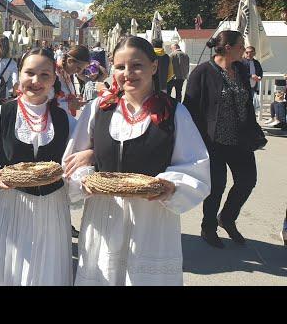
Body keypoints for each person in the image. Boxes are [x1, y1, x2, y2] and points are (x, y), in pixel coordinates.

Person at [63, 36, 210, 285]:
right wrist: (86, 172)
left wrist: (171, 185)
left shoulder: (174, 112)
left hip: (151, 220)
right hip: (104, 217)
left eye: (137, 65)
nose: (128, 73)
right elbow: (72, 163)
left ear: (154, 67)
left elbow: (195, 166)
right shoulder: (98, 108)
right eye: (120, 67)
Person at [0, 48, 77, 286]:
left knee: (44, 270)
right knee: (6, 270)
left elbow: (76, 163)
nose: (36, 81)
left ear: (54, 79)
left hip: (51, 209)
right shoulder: (1, 114)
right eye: (30, 73)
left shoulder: (65, 120)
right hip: (9, 205)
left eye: (45, 75)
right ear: (19, 74)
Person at [184, 30, 261, 248]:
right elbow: (189, 109)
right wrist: (195, 141)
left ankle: (227, 218)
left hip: (240, 139)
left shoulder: (241, 69)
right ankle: (208, 227)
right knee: (216, 186)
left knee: (247, 181)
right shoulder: (202, 72)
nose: (244, 49)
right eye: (240, 45)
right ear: (228, 48)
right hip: (213, 141)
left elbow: (246, 101)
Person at [54, 45, 90, 117]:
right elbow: (43, 103)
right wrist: (70, 105)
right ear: (69, 61)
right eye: (78, 68)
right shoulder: (52, 74)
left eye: (82, 69)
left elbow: (63, 97)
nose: (79, 72)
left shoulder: (65, 73)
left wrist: (75, 99)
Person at [242, 45, 263, 114]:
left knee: (252, 105)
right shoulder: (242, 62)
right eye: (247, 52)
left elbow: (260, 72)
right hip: (244, 87)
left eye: (251, 52)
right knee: (244, 105)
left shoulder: (256, 63)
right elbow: (240, 73)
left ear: (254, 53)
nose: (249, 54)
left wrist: (259, 77)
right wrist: (251, 76)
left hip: (253, 86)